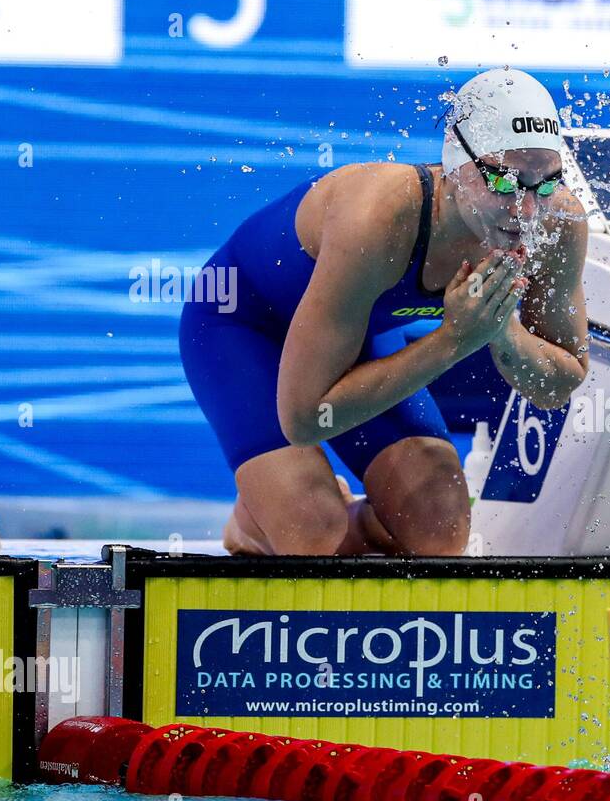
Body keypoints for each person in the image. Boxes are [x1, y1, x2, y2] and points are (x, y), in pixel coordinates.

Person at [179, 68, 588, 556]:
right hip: (242, 325)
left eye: (544, 184)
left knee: (440, 529)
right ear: (455, 163)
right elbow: (306, 419)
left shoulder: (557, 221)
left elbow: (557, 386)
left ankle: (339, 518)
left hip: (355, 333)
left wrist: (501, 331)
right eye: (503, 180)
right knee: (311, 531)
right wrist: (454, 340)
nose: (525, 209)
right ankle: (254, 522)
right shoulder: (380, 216)